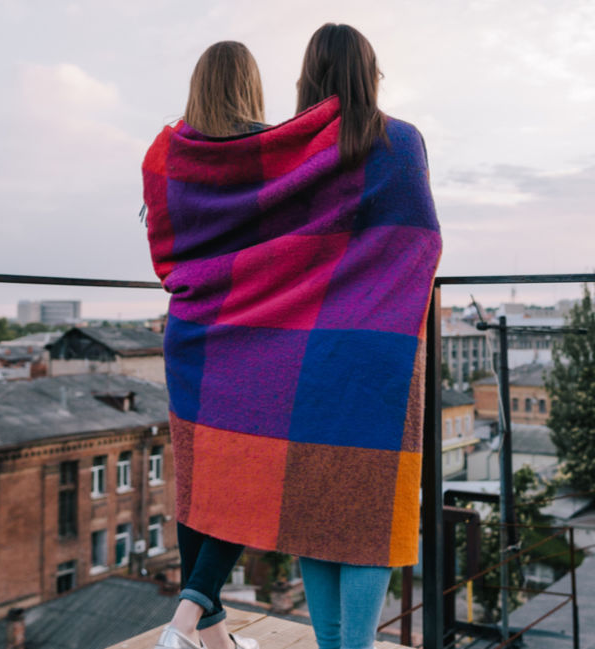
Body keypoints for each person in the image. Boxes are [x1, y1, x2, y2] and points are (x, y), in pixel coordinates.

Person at [143, 24, 439, 649]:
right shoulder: (401, 141)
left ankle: (274, 636)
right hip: (375, 351)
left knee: (312, 506)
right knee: (366, 513)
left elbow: (275, 246)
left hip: (295, 348)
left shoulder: (290, 150)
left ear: (307, 78)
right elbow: (420, 243)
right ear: (372, 73)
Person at [148, 40, 266, 649]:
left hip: (190, 329)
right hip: (257, 334)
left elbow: (162, 249)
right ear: (251, 84)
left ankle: (208, 641)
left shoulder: (167, 154)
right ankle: (186, 622)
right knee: (248, 480)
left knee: (198, 482)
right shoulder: (274, 149)